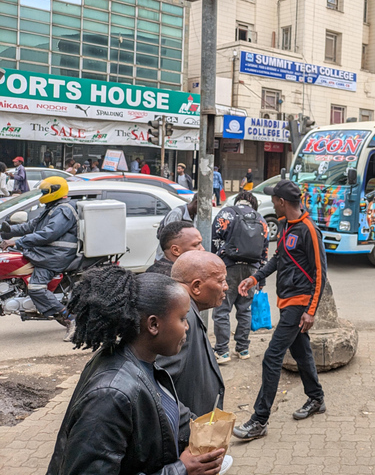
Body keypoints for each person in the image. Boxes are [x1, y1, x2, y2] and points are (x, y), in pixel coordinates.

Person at [47, 266, 225, 475]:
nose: (187, 327)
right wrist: (180, 470)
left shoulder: (145, 366)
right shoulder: (111, 393)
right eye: (182, 319)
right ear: (153, 325)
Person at [233, 179, 327, 441]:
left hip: (299, 304)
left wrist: (311, 310)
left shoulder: (309, 229)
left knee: (272, 357)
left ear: (283, 202)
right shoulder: (286, 225)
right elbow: (278, 258)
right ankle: (317, 399)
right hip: (287, 300)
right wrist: (255, 277)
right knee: (301, 352)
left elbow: (321, 273)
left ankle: (259, 420)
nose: (272, 203)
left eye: (274, 199)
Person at [0, 177, 77, 340]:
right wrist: (8, 230)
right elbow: (30, 226)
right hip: (45, 253)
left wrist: (17, 241)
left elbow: (48, 234)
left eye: (44, 192)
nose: (42, 195)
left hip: (54, 255)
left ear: (55, 191)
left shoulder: (64, 210)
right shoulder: (52, 208)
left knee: (35, 287)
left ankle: (71, 319)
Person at [155, 251, 228, 418]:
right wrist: (187, 427)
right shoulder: (182, 319)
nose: (226, 286)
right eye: (221, 280)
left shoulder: (187, 313)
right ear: (196, 287)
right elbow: (158, 388)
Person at [212, 191, 269, 364]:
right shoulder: (262, 219)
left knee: (222, 310)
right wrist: (261, 279)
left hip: (228, 267)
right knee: (245, 310)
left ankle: (222, 351)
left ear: (238, 201)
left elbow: (214, 240)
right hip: (252, 272)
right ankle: (243, 349)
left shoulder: (227, 213)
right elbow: (264, 251)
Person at [155, 194, 198, 260]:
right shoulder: (177, 213)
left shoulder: (195, 215)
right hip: (167, 255)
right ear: (196, 203)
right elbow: (169, 237)